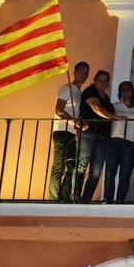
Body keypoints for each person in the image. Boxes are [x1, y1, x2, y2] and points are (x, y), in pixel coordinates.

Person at [74, 70, 126, 202]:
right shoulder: (90, 91)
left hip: (103, 138)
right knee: (81, 167)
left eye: (105, 80)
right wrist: (115, 117)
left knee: (96, 173)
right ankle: (75, 198)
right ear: (95, 81)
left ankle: (85, 200)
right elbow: (96, 108)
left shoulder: (107, 99)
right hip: (89, 133)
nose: (103, 83)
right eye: (100, 80)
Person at [50, 61, 89, 202]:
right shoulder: (67, 88)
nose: (84, 75)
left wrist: (78, 125)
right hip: (61, 131)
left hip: (72, 133)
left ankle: (64, 197)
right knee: (58, 167)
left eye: (86, 73)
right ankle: (54, 200)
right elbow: (58, 110)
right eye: (81, 72)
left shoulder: (78, 93)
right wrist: (74, 121)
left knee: (71, 166)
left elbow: (74, 116)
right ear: (74, 72)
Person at [103, 81, 134, 203]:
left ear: (132, 92)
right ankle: (108, 200)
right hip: (114, 141)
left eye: (128, 89)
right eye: (123, 90)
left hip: (131, 143)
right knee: (110, 172)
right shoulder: (114, 106)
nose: (126, 92)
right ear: (120, 93)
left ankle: (120, 201)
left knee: (125, 175)